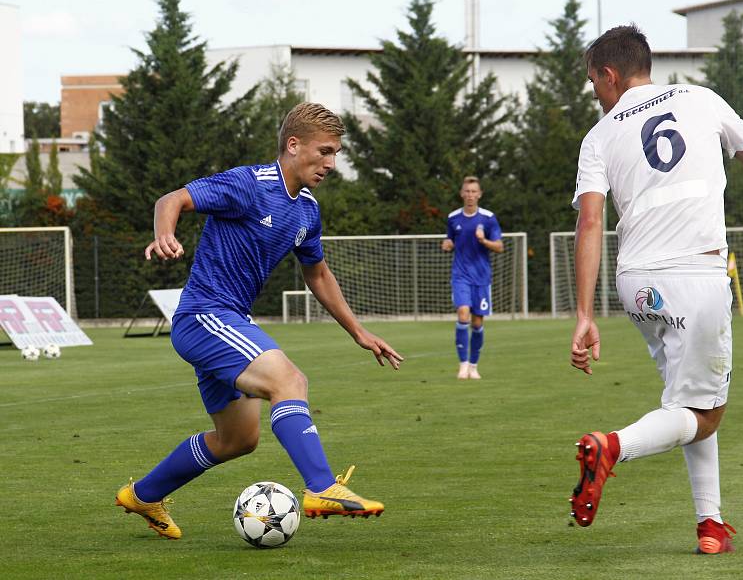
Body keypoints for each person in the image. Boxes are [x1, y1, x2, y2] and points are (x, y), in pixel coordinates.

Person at [115, 102, 404, 539]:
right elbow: (172, 199)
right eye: (324, 151)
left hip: (228, 321)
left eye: (335, 154)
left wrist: (359, 332)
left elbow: (317, 273)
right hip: (206, 316)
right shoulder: (250, 184)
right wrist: (165, 233)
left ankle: (143, 495)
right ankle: (322, 487)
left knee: (238, 439)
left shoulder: (307, 210)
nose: (330, 163)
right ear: (293, 145)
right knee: (290, 382)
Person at [568, 26, 743, 554]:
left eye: (592, 82)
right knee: (706, 411)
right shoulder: (702, 98)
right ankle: (612, 447)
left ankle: (710, 523)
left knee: (688, 399)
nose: (595, 93)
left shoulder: (599, 136)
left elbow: (589, 223)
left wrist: (584, 313)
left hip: (637, 284)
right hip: (694, 276)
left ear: (609, 75)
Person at [441, 176, 503, 380]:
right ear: (461, 194)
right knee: (463, 313)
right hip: (460, 276)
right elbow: (449, 239)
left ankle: (474, 366)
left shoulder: (488, 218)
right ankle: (463, 365)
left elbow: (499, 247)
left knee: (477, 323)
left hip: (482, 278)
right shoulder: (453, 218)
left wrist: (483, 240)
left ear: (479, 194)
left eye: (473, 191)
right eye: (467, 191)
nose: (470, 195)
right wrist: (447, 244)